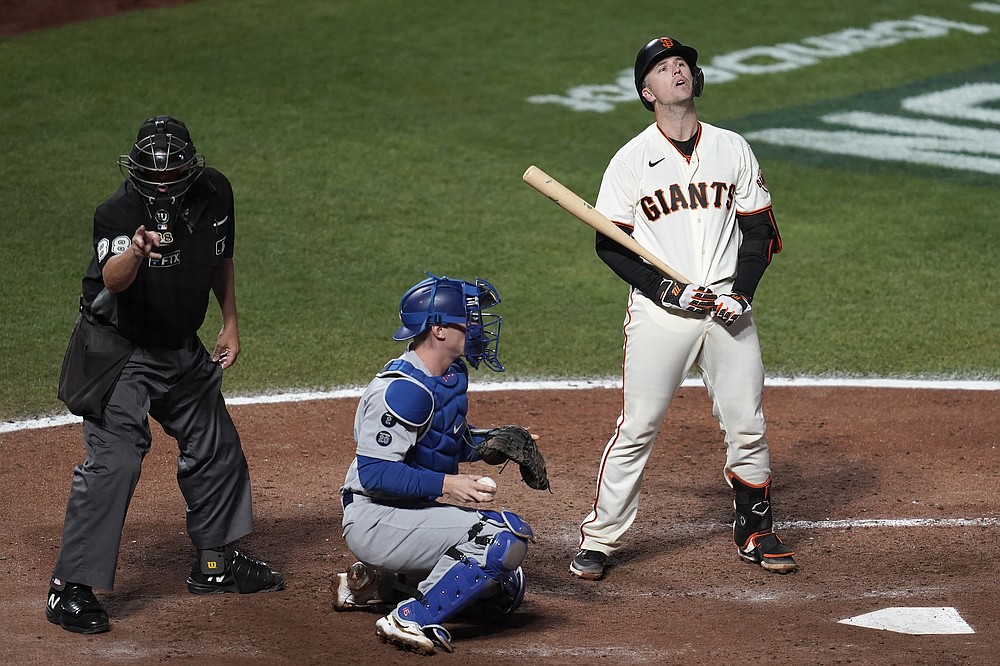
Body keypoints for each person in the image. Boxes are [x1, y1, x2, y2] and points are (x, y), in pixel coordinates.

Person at [569, 37, 796, 581]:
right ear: (647, 92)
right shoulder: (630, 161)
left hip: (726, 306)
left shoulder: (731, 148)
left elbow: (760, 230)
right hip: (662, 313)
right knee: (639, 424)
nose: (678, 73)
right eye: (664, 69)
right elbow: (610, 244)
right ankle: (600, 537)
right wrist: (665, 291)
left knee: (747, 423)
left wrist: (740, 292)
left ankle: (756, 529)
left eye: (683, 66)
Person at [46, 116, 283, 635]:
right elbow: (113, 278)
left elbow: (222, 259)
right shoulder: (117, 211)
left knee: (215, 443)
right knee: (116, 459)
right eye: (152, 176)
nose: (161, 184)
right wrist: (135, 251)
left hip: (179, 346)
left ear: (190, 167)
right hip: (118, 352)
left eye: (172, 173)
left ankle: (214, 563)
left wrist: (230, 323)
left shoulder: (214, 192)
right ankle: (70, 588)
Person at [333, 274, 536, 655]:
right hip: (374, 517)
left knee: (506, 589)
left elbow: (441, 443)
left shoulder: (448, 375)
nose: (477, 328)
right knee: (499, 542)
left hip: (406, 512)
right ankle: (409, 616)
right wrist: (449, 485)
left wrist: (492, 444)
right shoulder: (403, 390)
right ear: (439, 329)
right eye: (469, 319)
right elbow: (375, 473)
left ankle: (378, 585)